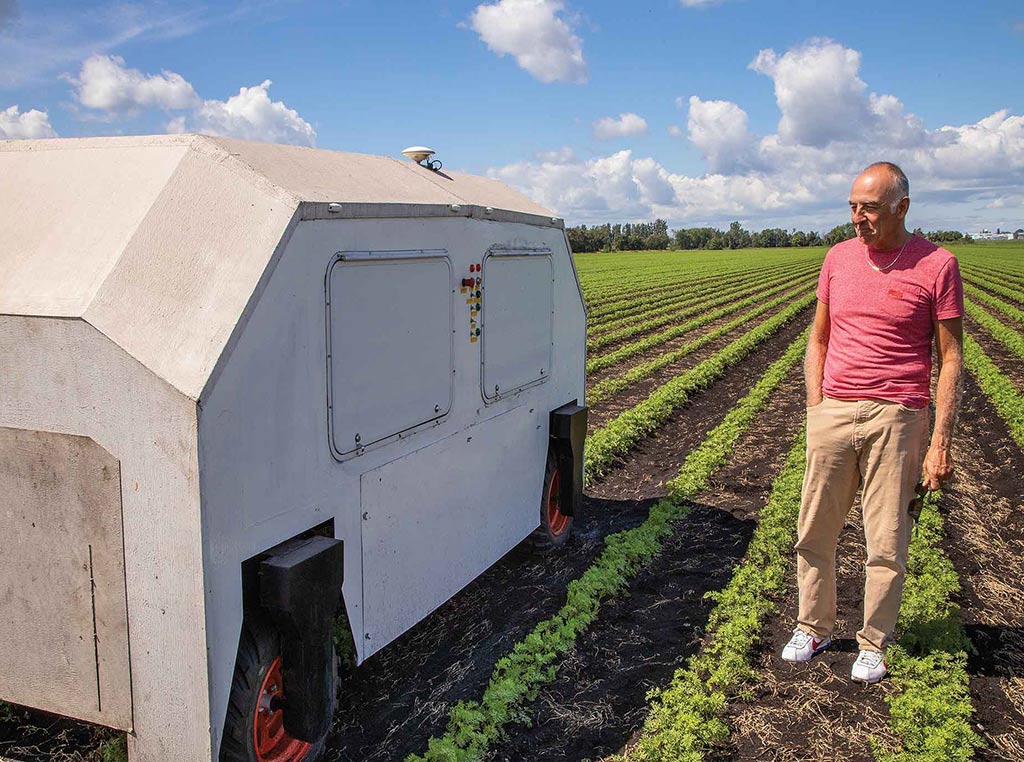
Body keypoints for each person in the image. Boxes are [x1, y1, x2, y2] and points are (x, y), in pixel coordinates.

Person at [780, 162, 964, 684]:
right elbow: (818, 338)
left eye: (870, 209)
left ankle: (873, 642)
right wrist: (816, 406)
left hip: (899, 416)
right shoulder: (838, 258)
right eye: (852, 208)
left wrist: (940, 441)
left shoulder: (937, 264)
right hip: (834, 411)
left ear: (902, 208)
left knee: (885, 538)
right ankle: (811, 626)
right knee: (815, 528)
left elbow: (951, 357)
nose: (858, 219)